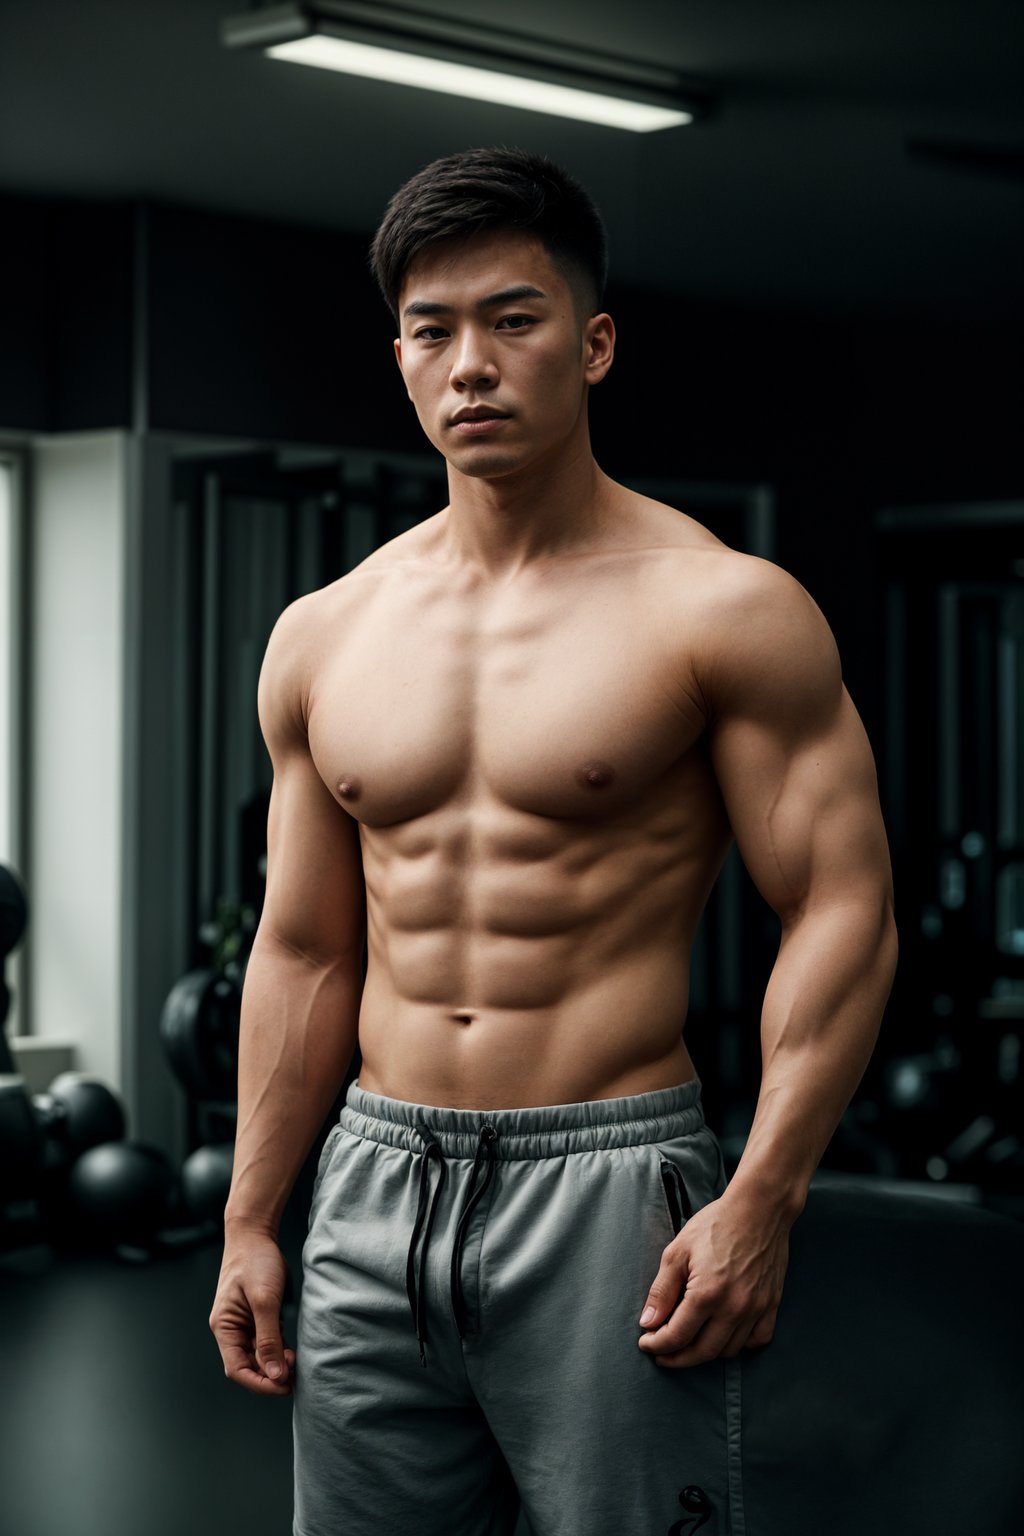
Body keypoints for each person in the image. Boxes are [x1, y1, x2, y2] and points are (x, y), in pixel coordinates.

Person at [210, 147, 898, 1536]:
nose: (470, 363)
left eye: (512, 321)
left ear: (591, 345)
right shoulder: (324, 634)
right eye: (431, 328)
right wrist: (248, 1214)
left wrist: (765, 1192)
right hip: (373, 1177)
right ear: (397, 355)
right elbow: (304, 947)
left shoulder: (723, 609)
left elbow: (841, 908)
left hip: (608, 1183)